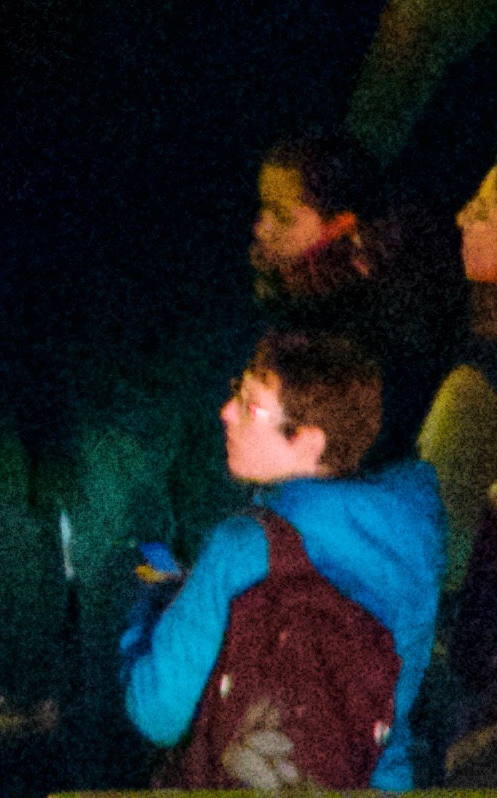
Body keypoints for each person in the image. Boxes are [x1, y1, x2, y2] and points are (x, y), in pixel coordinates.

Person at [117, 332, 446, 785]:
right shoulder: (414, 533)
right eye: (237, 390)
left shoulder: (243, 548)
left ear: (310, 442)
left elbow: (158, 713)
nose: (226, 412)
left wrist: (147, 616)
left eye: (251, 407)